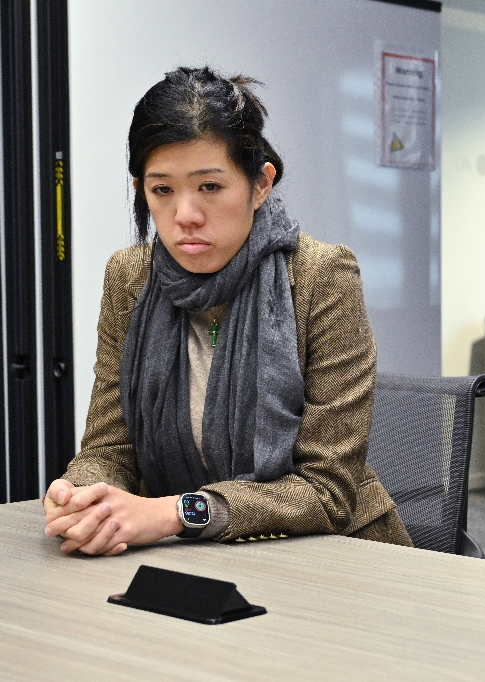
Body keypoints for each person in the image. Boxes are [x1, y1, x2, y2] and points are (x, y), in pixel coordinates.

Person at [42, 66, 411, 554]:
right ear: (141, 190)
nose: (186, 216)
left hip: (336, 552)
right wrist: (81, 493)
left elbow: (327, 492)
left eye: (210, 187)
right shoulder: (130, 279)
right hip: (193, 556)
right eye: (162, 190)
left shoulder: (322, 277)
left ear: (260, 184)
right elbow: (111, 448)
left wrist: (176, 513)